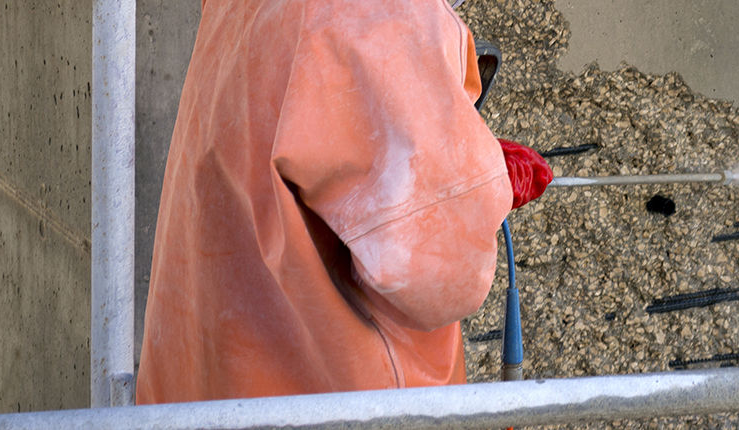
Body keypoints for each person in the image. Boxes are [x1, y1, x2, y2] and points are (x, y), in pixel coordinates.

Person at [136, 0, 551, 404]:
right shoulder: (383, 13)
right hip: (333, 398)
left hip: (210, 391)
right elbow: (436, 270)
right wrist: (472, 188)